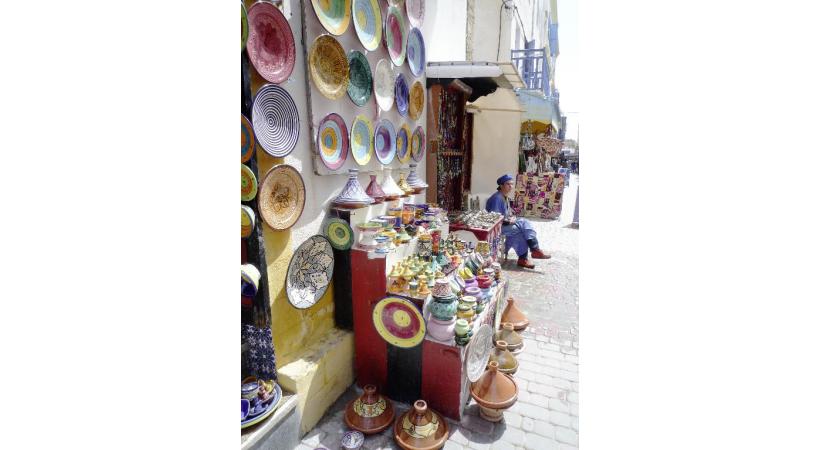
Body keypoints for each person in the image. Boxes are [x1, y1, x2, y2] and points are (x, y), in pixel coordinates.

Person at [486, 174, 550, 269]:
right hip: (497, 227)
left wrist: (511, 218)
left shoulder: (504, 196)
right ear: (501, 185)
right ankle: (531, 251)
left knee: (523, 224)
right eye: (508, 184)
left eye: (512, 184)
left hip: (505, 223)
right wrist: (508, 221)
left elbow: (507, 213)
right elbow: (495, 218)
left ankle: (528, 254)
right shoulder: (497, 198)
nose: (511, 187)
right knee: (521, 229)